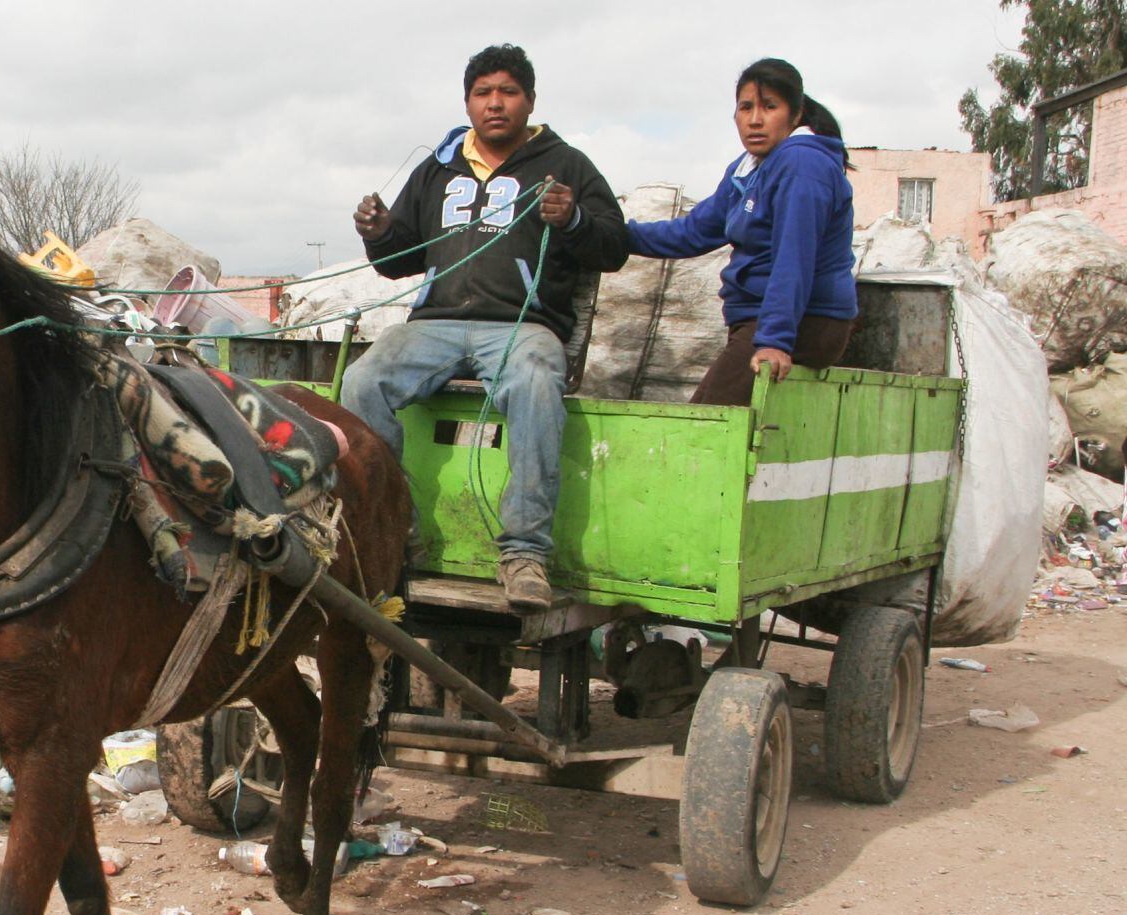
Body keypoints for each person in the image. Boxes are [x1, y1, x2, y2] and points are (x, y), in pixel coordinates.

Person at [344, 43, 628, 610]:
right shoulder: (439, 167)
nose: (495, 103)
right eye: (483, 93)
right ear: (468, 102)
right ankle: (398, 526)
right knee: (361, 382)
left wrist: (573, 219)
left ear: (530, 101)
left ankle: (524, 553)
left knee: (537, 381)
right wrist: (378, 232)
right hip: (437, 323)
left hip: (521, 327)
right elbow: (401, 258)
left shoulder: (566, 164)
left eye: (508, 92)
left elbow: (614, 246)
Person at [626, 58, 857, 406]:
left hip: (807, 321)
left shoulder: (802, 164)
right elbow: (694, 231)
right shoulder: (748, 168)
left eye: (770, 107)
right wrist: (616, 235)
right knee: (721, 420)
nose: (755, 120)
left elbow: (793, 258)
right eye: (746, 107)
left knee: (704, 420)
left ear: (796, 114)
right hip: (760, 321)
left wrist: (775, 341)